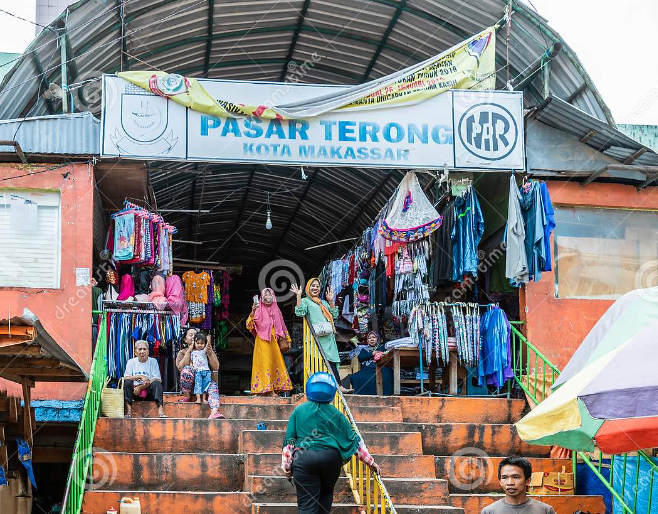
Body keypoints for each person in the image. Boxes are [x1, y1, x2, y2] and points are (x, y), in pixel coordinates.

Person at [281, 372, 381, 514]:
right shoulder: (336, 414)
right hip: (331, 459)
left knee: (306, 506)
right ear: (332, 393)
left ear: (309, 389)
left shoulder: (299, 410)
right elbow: (355, 441)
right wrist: (371, 462)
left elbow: (289, 444)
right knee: (326, 496)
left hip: (304, 458)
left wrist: (287, 467)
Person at [291, 278, 352, 393]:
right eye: (312, 286)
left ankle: (338, 386)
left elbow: (334, 314)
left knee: (332, 362)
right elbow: (300, 312)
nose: (315, 288)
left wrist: (331, 301)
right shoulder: (305, 301)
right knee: (316, 362)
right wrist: (298, 296)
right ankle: (315, 389)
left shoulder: (323, 302)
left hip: (328, 337)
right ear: (308, 287)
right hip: (315, 339)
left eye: (317, 286)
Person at [246, 288, 293, 396]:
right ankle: (268, 390)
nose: (268, 298)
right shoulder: (258, 309)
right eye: (265, 296)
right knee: (265, 364)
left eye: (270, 295)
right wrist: (253, 311)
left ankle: (273, 389)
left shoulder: (277, 309)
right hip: (262, 341)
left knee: (274, 364)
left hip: (274, 341)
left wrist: (288, 339)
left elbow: (282, 325)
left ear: (273, 297)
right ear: (261, 298)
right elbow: (249, 325)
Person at [177, 327, 225, 419]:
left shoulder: (206, 350)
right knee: (186, 369)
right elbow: (181, 368)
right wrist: (189, 351)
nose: (193, 337)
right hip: (191, 384)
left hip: (205, 381)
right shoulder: (182, 352)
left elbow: (216, 367)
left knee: (213, 387)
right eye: (191, 335)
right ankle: (187, 396)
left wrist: (210, 353)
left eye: (195, 335)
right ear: (185, 339)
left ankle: (214, 412)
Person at [481, 456, 557, 514]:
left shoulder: (545, 511)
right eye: (504, 478)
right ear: (500, 481)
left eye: (516, 477)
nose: (510, 482)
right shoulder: (489, 512)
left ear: (528, 481)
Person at [123, 340, 166, 418]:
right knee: (127, 382)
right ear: (135, 352)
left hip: (148, 392)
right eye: (140, 349)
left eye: (144, 349)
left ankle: (161, 411)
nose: (142, 351)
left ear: (148, 351)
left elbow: (157, 379)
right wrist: (140, 376)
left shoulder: (153, 361)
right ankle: (128, 411)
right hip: (134, 392)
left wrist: (141, 387)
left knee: (157, 384)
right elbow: (126, 377)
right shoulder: (131, 362)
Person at [350, 331, 393, 395]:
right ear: (367, 340)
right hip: (367, 370)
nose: (372, 339)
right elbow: (361, 358)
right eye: (369, 338)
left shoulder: (383, 347)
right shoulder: (364, 349)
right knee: (355, 377)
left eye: (374, 337)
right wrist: (372, 353)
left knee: (387, 374)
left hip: (381, 368)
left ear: (377, 339)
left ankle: (384, 395)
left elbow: (388, 356)